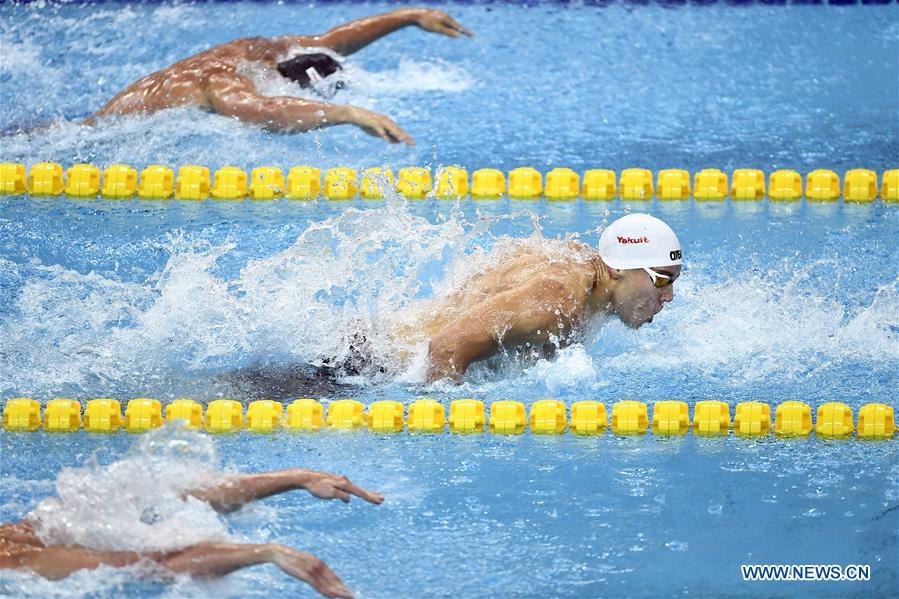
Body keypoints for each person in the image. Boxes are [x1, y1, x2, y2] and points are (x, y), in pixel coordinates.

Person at [84, 8, 472, 144]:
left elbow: (331, 40)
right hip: (99, 136)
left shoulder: (257, 51)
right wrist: (349, 114)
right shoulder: (224, 83)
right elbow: (263, 111)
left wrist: (408, 17)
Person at [0, 467, 384, 598]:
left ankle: (301, 481)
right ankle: (305, 476)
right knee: (144, 496)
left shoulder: (11, 560)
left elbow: (148, 563)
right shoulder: (16, 538)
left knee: (137, 533)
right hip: (54, 528)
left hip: (49, 550)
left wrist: (266, 553)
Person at [420, 213, 683, 382]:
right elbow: (446, 347)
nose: (668, 296)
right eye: (661, 279)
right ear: (617, 268)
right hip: (392, 367)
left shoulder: (589, 273)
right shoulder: (558, 304)